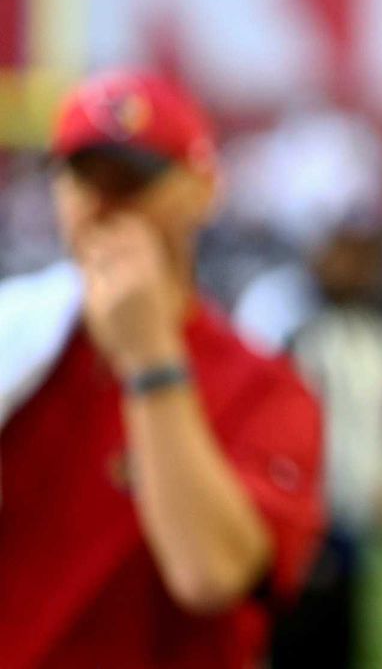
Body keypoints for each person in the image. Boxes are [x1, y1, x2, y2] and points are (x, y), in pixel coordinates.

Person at [0, 71, 324, 668]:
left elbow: (210, 574)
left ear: (202, 190)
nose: (103, 204)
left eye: (131, 179)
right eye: (82, 176)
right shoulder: (19, 339)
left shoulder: (266, 388)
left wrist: (149, 357)